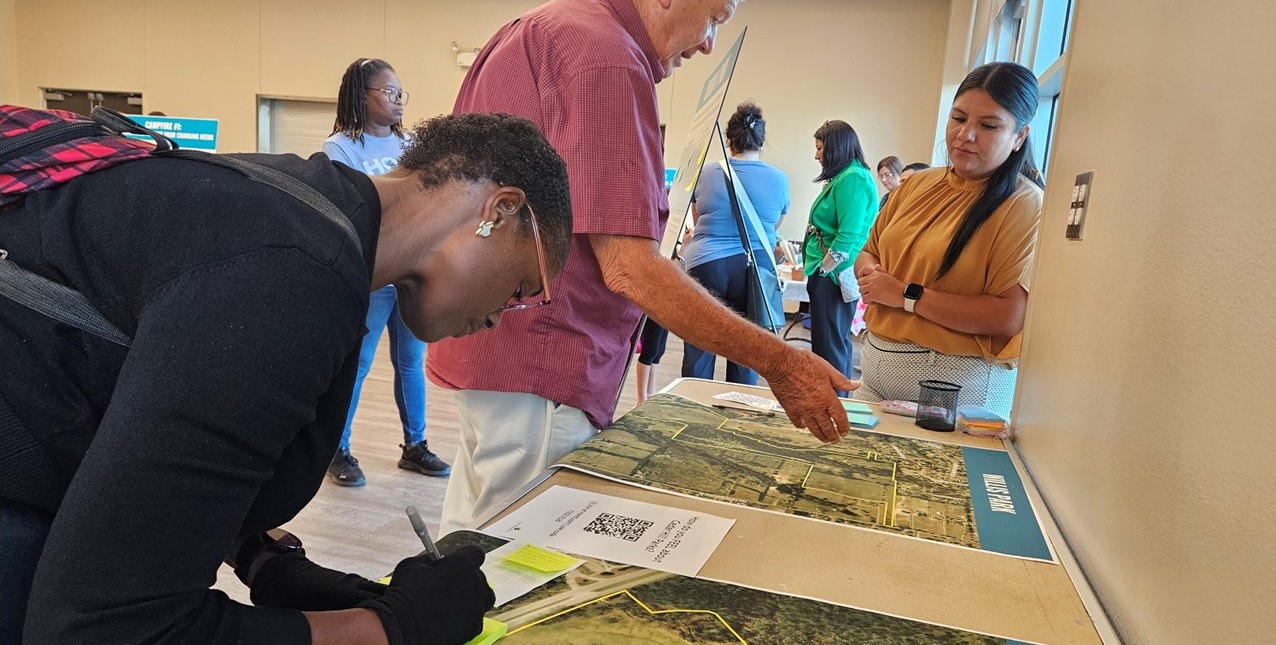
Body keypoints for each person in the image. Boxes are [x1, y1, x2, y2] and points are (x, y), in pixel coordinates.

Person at [0, 112, 573, 645]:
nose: (499, 318)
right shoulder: (293, 275)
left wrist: (264, 558)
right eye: (523, 289)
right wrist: (392, 628)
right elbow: (106, 628)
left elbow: (148, 426)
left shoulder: (296, 201)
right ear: (500, 210)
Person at [428, 0, 857, 535]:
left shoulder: (546, 27)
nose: (708, 44)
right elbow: (628, 266)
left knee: (471, 536)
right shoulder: (607, 54)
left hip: (496, 352)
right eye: (714, 18)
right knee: (520, 548)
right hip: (543, 360)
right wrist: (781, 362)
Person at [855, 62, 1045, 418]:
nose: (965, 134)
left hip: (955, 384)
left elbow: (1008, 315)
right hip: (875, 368)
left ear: (1020, 136)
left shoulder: (1024, 204)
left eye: (988, 126)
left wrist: (904, 295)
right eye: (958, 118)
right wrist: (873, 278)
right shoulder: (917, 184)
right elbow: (869, 251)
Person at [322, 58, 450, 486]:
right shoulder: (340, 149)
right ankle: (337, 449)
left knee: (411, 363)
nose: (399, 101)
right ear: (362, 97)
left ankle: (415, 446)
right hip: (374, 275)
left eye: (401, 93)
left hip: (412, 274)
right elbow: (351, 213)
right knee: (358, 364)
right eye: (389, 92)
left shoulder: (411, 145)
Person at [680, 102, 790, 385]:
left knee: (700, 348)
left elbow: (697, 217)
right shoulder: (779, 179)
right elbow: (773, 226)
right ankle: (738, 403)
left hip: (706, 265)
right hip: (754, 269)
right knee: (746, 351)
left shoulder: (706, 173)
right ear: (761, 141)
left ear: (730, 140)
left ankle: (692, 402)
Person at [802, 120, 879, 397]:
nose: (817, 156)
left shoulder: (853, 178)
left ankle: (832, 403)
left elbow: (848, 234)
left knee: (829, 347)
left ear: (835, 147)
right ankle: (834, 402)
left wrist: (825, 270)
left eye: (820, 148)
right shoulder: (845, 176)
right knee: (832, 343)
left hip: (833, 275)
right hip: (829, 272)